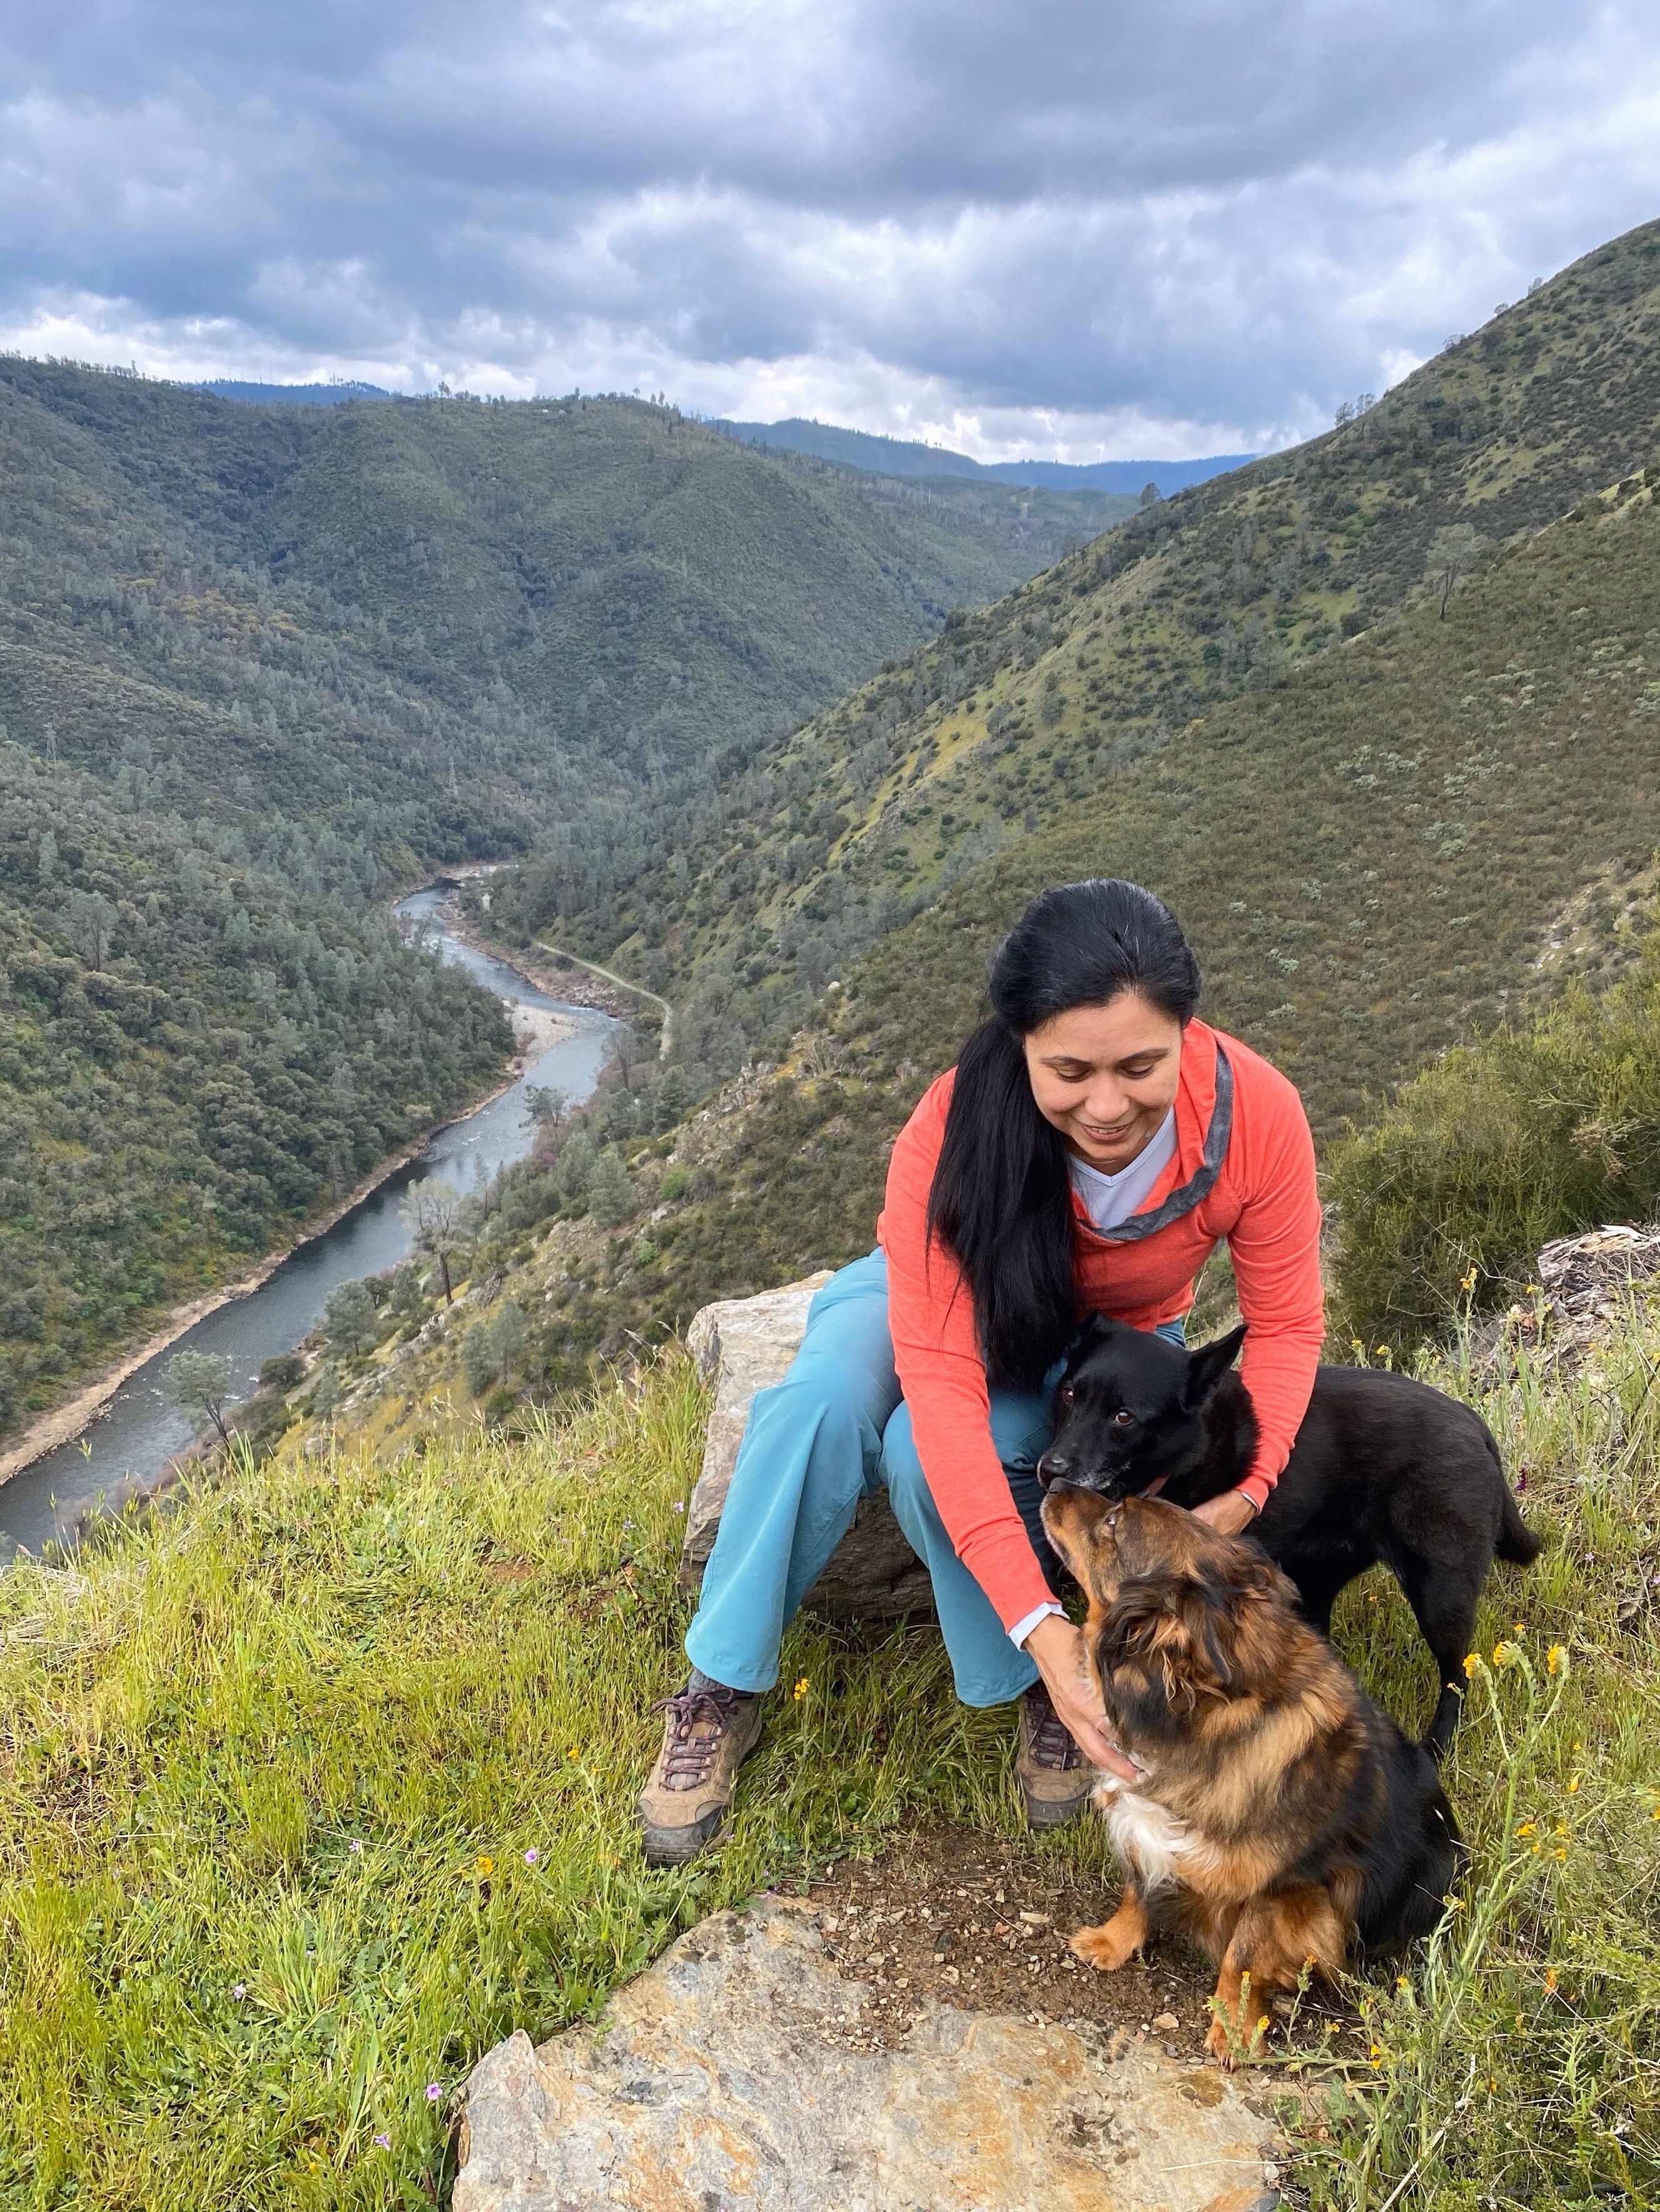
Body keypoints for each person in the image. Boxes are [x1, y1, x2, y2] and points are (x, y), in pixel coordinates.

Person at [637, 879, 1325, 1864]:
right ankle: (723, 1685)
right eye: (1068, 1071)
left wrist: (1251, 1490)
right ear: (1020, 1044)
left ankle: (1034, 1680)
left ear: (1187, 1031)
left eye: (1140, 1066)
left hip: (1106, 1341)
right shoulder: (953, 1125)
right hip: (937, 1297)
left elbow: (1286, 1324)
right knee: (820, 1403)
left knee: (924, 1459)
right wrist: (1047, 1625)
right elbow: (942, 1383)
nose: (1106, 1105)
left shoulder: (1255, 1115)